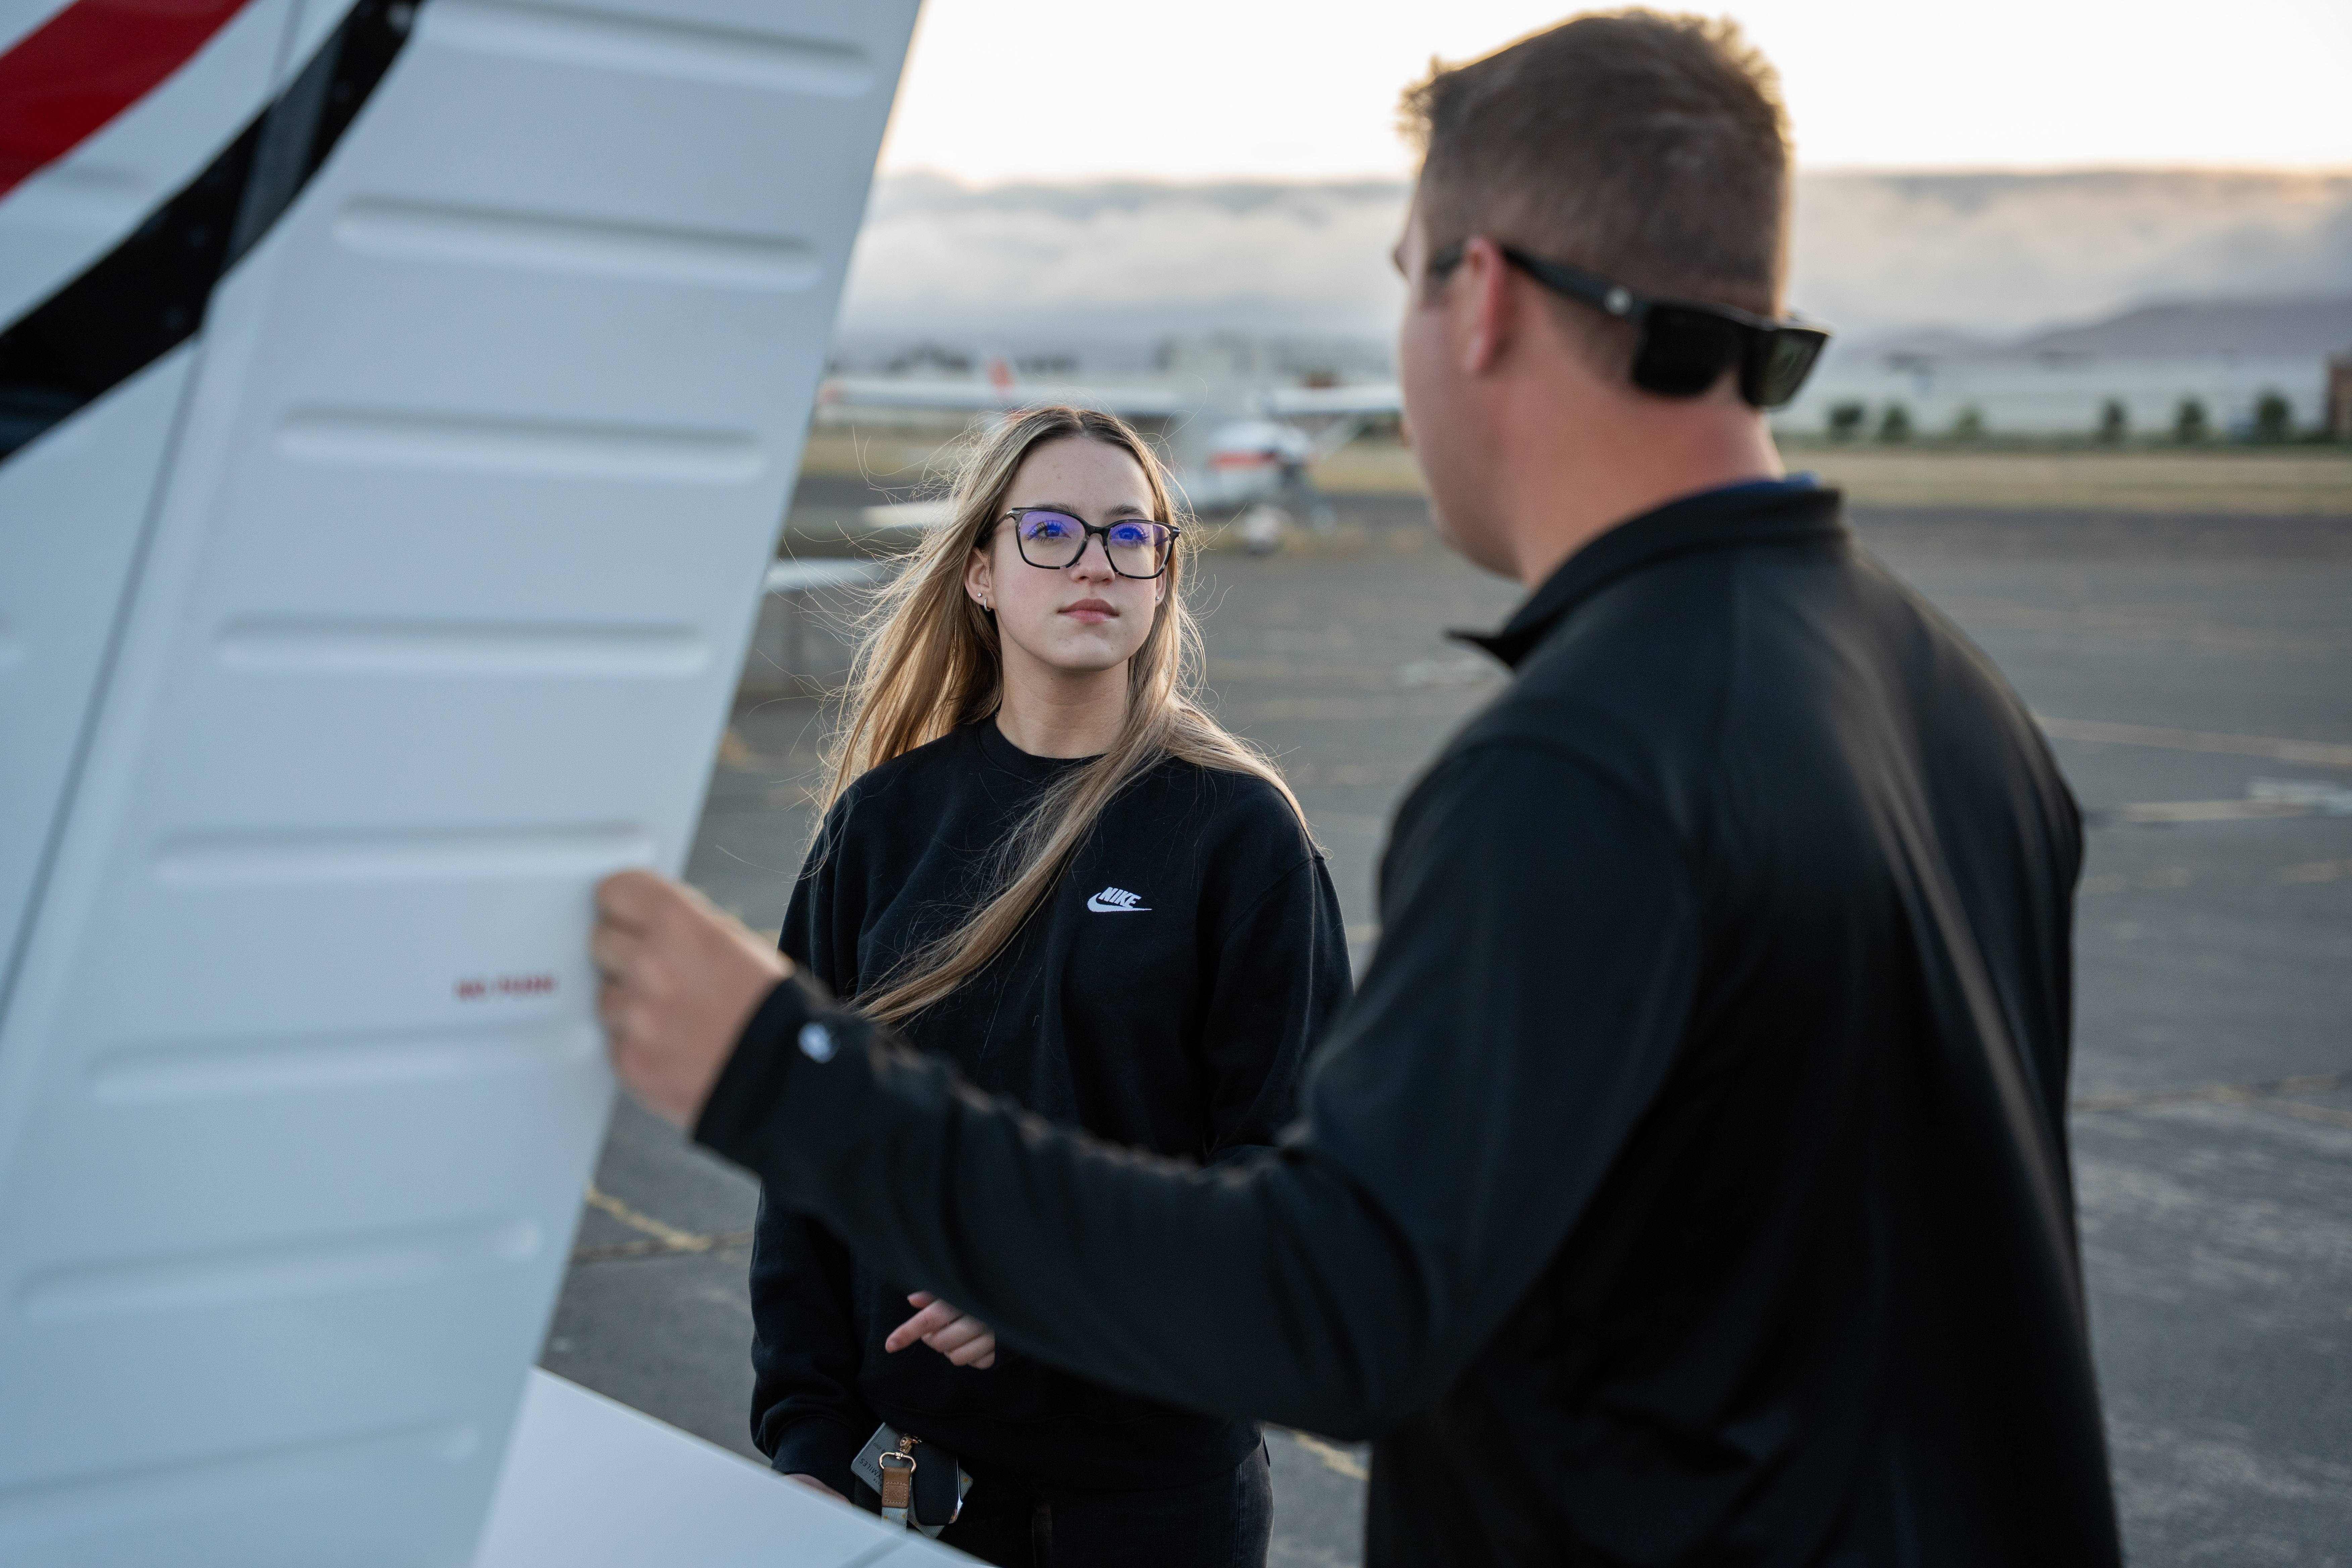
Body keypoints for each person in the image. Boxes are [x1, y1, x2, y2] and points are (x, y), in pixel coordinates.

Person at [593, 12, 2124, 1564]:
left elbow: (1338, 1303)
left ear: (1485, 304)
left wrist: (779, 1075)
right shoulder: (1954, 698)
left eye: (1406, 277)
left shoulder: (1587, 763)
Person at [739, 404, 1348, 1565]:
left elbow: (1288, 1187)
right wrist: (809, 1449)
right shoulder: (883, 826)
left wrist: (1049, 1285)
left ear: (1165, 574)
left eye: (1132, 537)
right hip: (920, 1491)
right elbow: (807, 1150)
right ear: (980, 569)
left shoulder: (1240, 836)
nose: (1095, 564)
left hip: (1154, 1499)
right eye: (1053, 531)